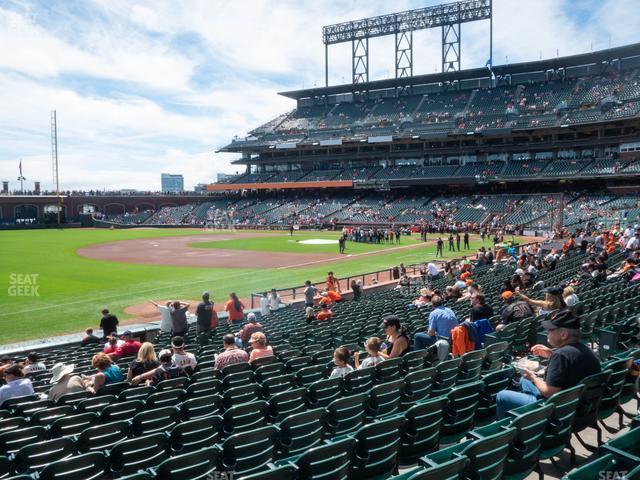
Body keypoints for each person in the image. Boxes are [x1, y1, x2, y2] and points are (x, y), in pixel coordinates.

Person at [496, 310, 601, 418]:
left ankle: (511, 428)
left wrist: (532, 377)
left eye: (551, 329)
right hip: (577, 405)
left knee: (501, 395)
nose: (547, 331)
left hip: (557, 411)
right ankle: (526, 417)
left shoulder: (561, 355)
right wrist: (552, 354)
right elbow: (571, 364)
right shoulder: (585, 349)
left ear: (564, 334)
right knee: (523, 380)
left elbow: (548, 392)